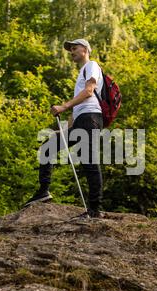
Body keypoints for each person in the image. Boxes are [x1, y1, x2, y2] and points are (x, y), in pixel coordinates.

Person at [24, 39, 104, 218]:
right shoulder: (82, 72)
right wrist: (66, 129)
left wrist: (64, 106)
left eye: (75, 49)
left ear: (85, 50)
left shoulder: (92, 65)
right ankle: (43, 192)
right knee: (48, 148)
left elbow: (89, 91)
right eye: (71, 50)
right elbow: (79, 107)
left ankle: (94, 210)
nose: (72, 52)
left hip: (91, 118)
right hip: (82, 119)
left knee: (89, 162)